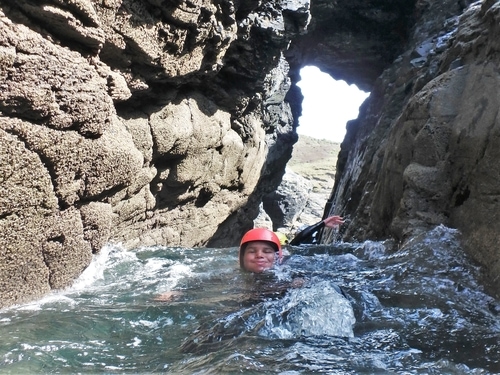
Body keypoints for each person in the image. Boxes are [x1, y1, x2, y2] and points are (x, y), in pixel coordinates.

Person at [239, 215, 344, 273]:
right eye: (252, 251)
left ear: (277, 256)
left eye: (267, 251)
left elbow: (297, 242)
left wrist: (322, 223)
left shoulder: (285, 269)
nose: (259, 255)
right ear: (242, 257)